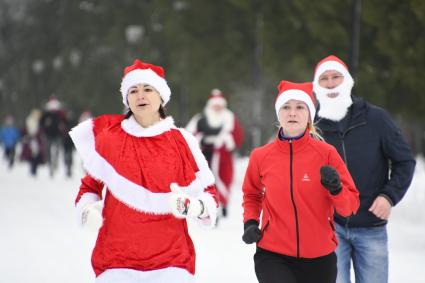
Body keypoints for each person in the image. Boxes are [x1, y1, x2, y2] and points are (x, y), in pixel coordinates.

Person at [69, 59, 218, 283]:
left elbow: (209, 195)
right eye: (133, 91)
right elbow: (89, 187)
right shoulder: (110, 139)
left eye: (148, 89)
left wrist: (195, 206)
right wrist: (87, 210)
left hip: (172, 263)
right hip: (116, 262)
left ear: (161, 97)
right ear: (126, 99)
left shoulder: (182, 141)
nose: (140, 96)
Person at [242, 80, 359, 283]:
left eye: (299, 107)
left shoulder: (327, 154)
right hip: (273, 253)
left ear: (309, 115)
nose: (292, 113)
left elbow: (350, 207)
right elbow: (252, 194)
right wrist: (250, 222)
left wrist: (336, 189)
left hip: (319, 257)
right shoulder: (261, 156)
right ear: (279, 113)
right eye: (286, 107)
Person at [313, 55, 416, 283]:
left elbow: (405, 161)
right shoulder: (311, 126)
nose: (330, 84)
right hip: (329, 228)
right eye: (324, 79)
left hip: (371, 225)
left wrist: (388, 196)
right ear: (316, 86)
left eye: (336, 77)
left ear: (347, 81)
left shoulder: (376, 118)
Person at [186, 89, 243, 217]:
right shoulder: (200, 119)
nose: (217, 108)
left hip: (222, 156)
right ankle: (210, 207)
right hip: (204, 154)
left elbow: (237, 136)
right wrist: (200, 139)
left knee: (223, 179)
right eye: (215, 105)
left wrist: (227, 141)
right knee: (206, 181)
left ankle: (224, 204)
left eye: (219, 105)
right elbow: (189, 135)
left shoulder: (229, 118)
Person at [39, 96, 67, 177]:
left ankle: (55, 163)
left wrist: (63, 126)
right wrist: (44, 126)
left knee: (57, 150)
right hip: (48, 135)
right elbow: (41, 122)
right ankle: (50, 165)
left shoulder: (60, 113)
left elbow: (65, 122)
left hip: (57, 135)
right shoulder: (46, 113)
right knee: (48, 151)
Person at [20, 109, 45, 176]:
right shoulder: (28, 121)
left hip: (36, 141)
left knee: (36, 154)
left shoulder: (39, 122)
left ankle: (34, 169)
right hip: (29, 140)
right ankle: (32, 168)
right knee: (30, 155)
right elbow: (24, 130)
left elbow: (40, 131)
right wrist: (26, 136)